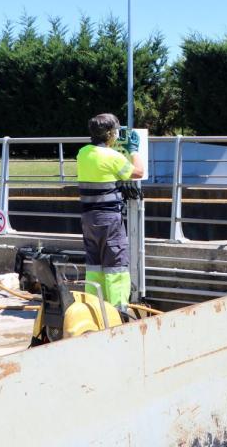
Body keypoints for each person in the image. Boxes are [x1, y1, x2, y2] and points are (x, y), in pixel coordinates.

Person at [76, 113, 144, 309]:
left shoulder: (83, 153)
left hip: (89, 218)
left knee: (95, 264)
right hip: (109, 219)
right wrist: (134, 151)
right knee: (116, 263)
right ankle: (118, 310)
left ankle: (95, 306)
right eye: (116, 130)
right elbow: (138, 172)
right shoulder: (113, 156)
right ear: (110, 133)